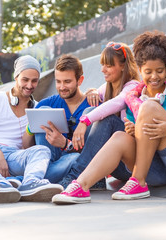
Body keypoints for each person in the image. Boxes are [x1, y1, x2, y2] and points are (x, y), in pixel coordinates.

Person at [52, 31, 166, 204]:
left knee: (149, 107)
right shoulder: (134, 99)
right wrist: (135, 132)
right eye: (148, 71)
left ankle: (138, 182)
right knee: (121, 136)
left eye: (159, 71)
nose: (154, 76)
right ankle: (81, 186)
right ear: (141, 72)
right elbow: (139, 139)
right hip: (159, 170)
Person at [0, 55, 63, 204]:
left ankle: (30, 184)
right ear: (16, 77)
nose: (29, 85)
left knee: (42, 151)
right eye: (25, 80)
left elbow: (27, 147)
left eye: (34, 81)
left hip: (15, 156)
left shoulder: (37, 108)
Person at [58, 42, 140, 188]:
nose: (103, 70)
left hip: (130, 165)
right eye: (102, 65)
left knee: (105, 118)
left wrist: (84, 121)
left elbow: (117, 103)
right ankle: (95, 178)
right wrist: (92, 92)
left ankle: (76, 174)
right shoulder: (107, 87)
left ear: (122, 66)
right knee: (89, 111)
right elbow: (94, 94)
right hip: (112, 163)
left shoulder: (132, 86)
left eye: (108, 65)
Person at [27, 54, 91, 184]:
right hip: (49, 160)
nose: (62, 87)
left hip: (78, 161)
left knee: (75, 158)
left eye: (67, 81)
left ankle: (29, 180)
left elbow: (96, 149)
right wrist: (31, 126)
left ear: (80, 80)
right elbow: (27, 143)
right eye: (58, 81)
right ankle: (37, 178)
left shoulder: (93, 104)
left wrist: (64, 143)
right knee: (43, 111)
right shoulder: (48, 103)